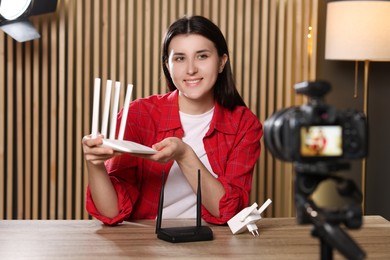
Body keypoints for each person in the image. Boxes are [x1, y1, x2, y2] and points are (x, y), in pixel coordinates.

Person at [82, 15, 263, 226]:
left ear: (222, 62)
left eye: (202, 56)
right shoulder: (138, 115)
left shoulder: (243, 123)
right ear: (167, 66)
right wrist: (94, 164)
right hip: (146, 245)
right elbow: (111, 213)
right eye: (179, 58)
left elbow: (228, 213)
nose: (191, 69)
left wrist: (184, 154)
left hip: (213, 245)